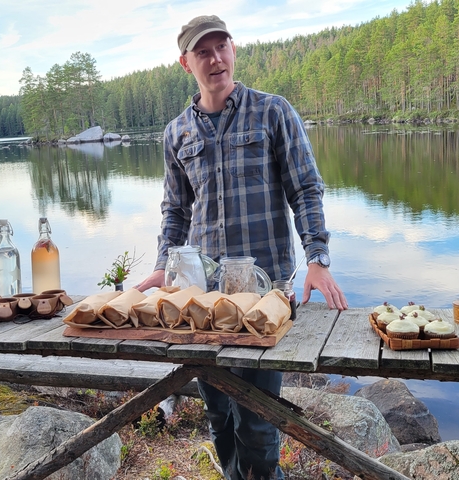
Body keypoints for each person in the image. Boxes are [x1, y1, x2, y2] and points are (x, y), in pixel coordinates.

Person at [134, 14, 347, 480]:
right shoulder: (176, 133)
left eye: (221, 46)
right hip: (205, 302)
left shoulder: (273, 112)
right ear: (185, 62)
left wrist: (317, 259)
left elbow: (306, 190)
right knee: (220, 418)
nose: (215, 59)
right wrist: (162, 267)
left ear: (233, 49)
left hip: (267, 300)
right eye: (202, 51)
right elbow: (175, 211)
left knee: (259, 419)